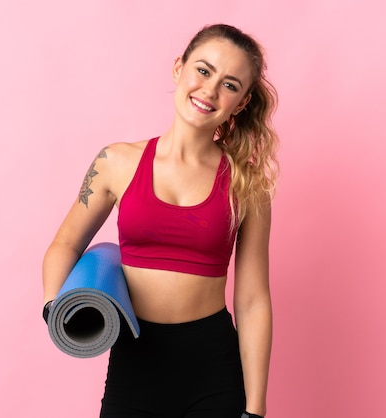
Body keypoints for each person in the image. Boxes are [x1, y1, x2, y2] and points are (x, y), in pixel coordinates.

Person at [42, 23, 279, 418]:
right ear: (178, 68)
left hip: (213, 367)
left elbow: (253, 301)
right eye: (203, 71)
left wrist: (255, 408)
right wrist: (55, 309)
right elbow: (65, 245)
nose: (210, 90)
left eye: (230, 84)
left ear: (241, 103)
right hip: (135, 359)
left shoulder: (247, 182)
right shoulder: (115, 162)